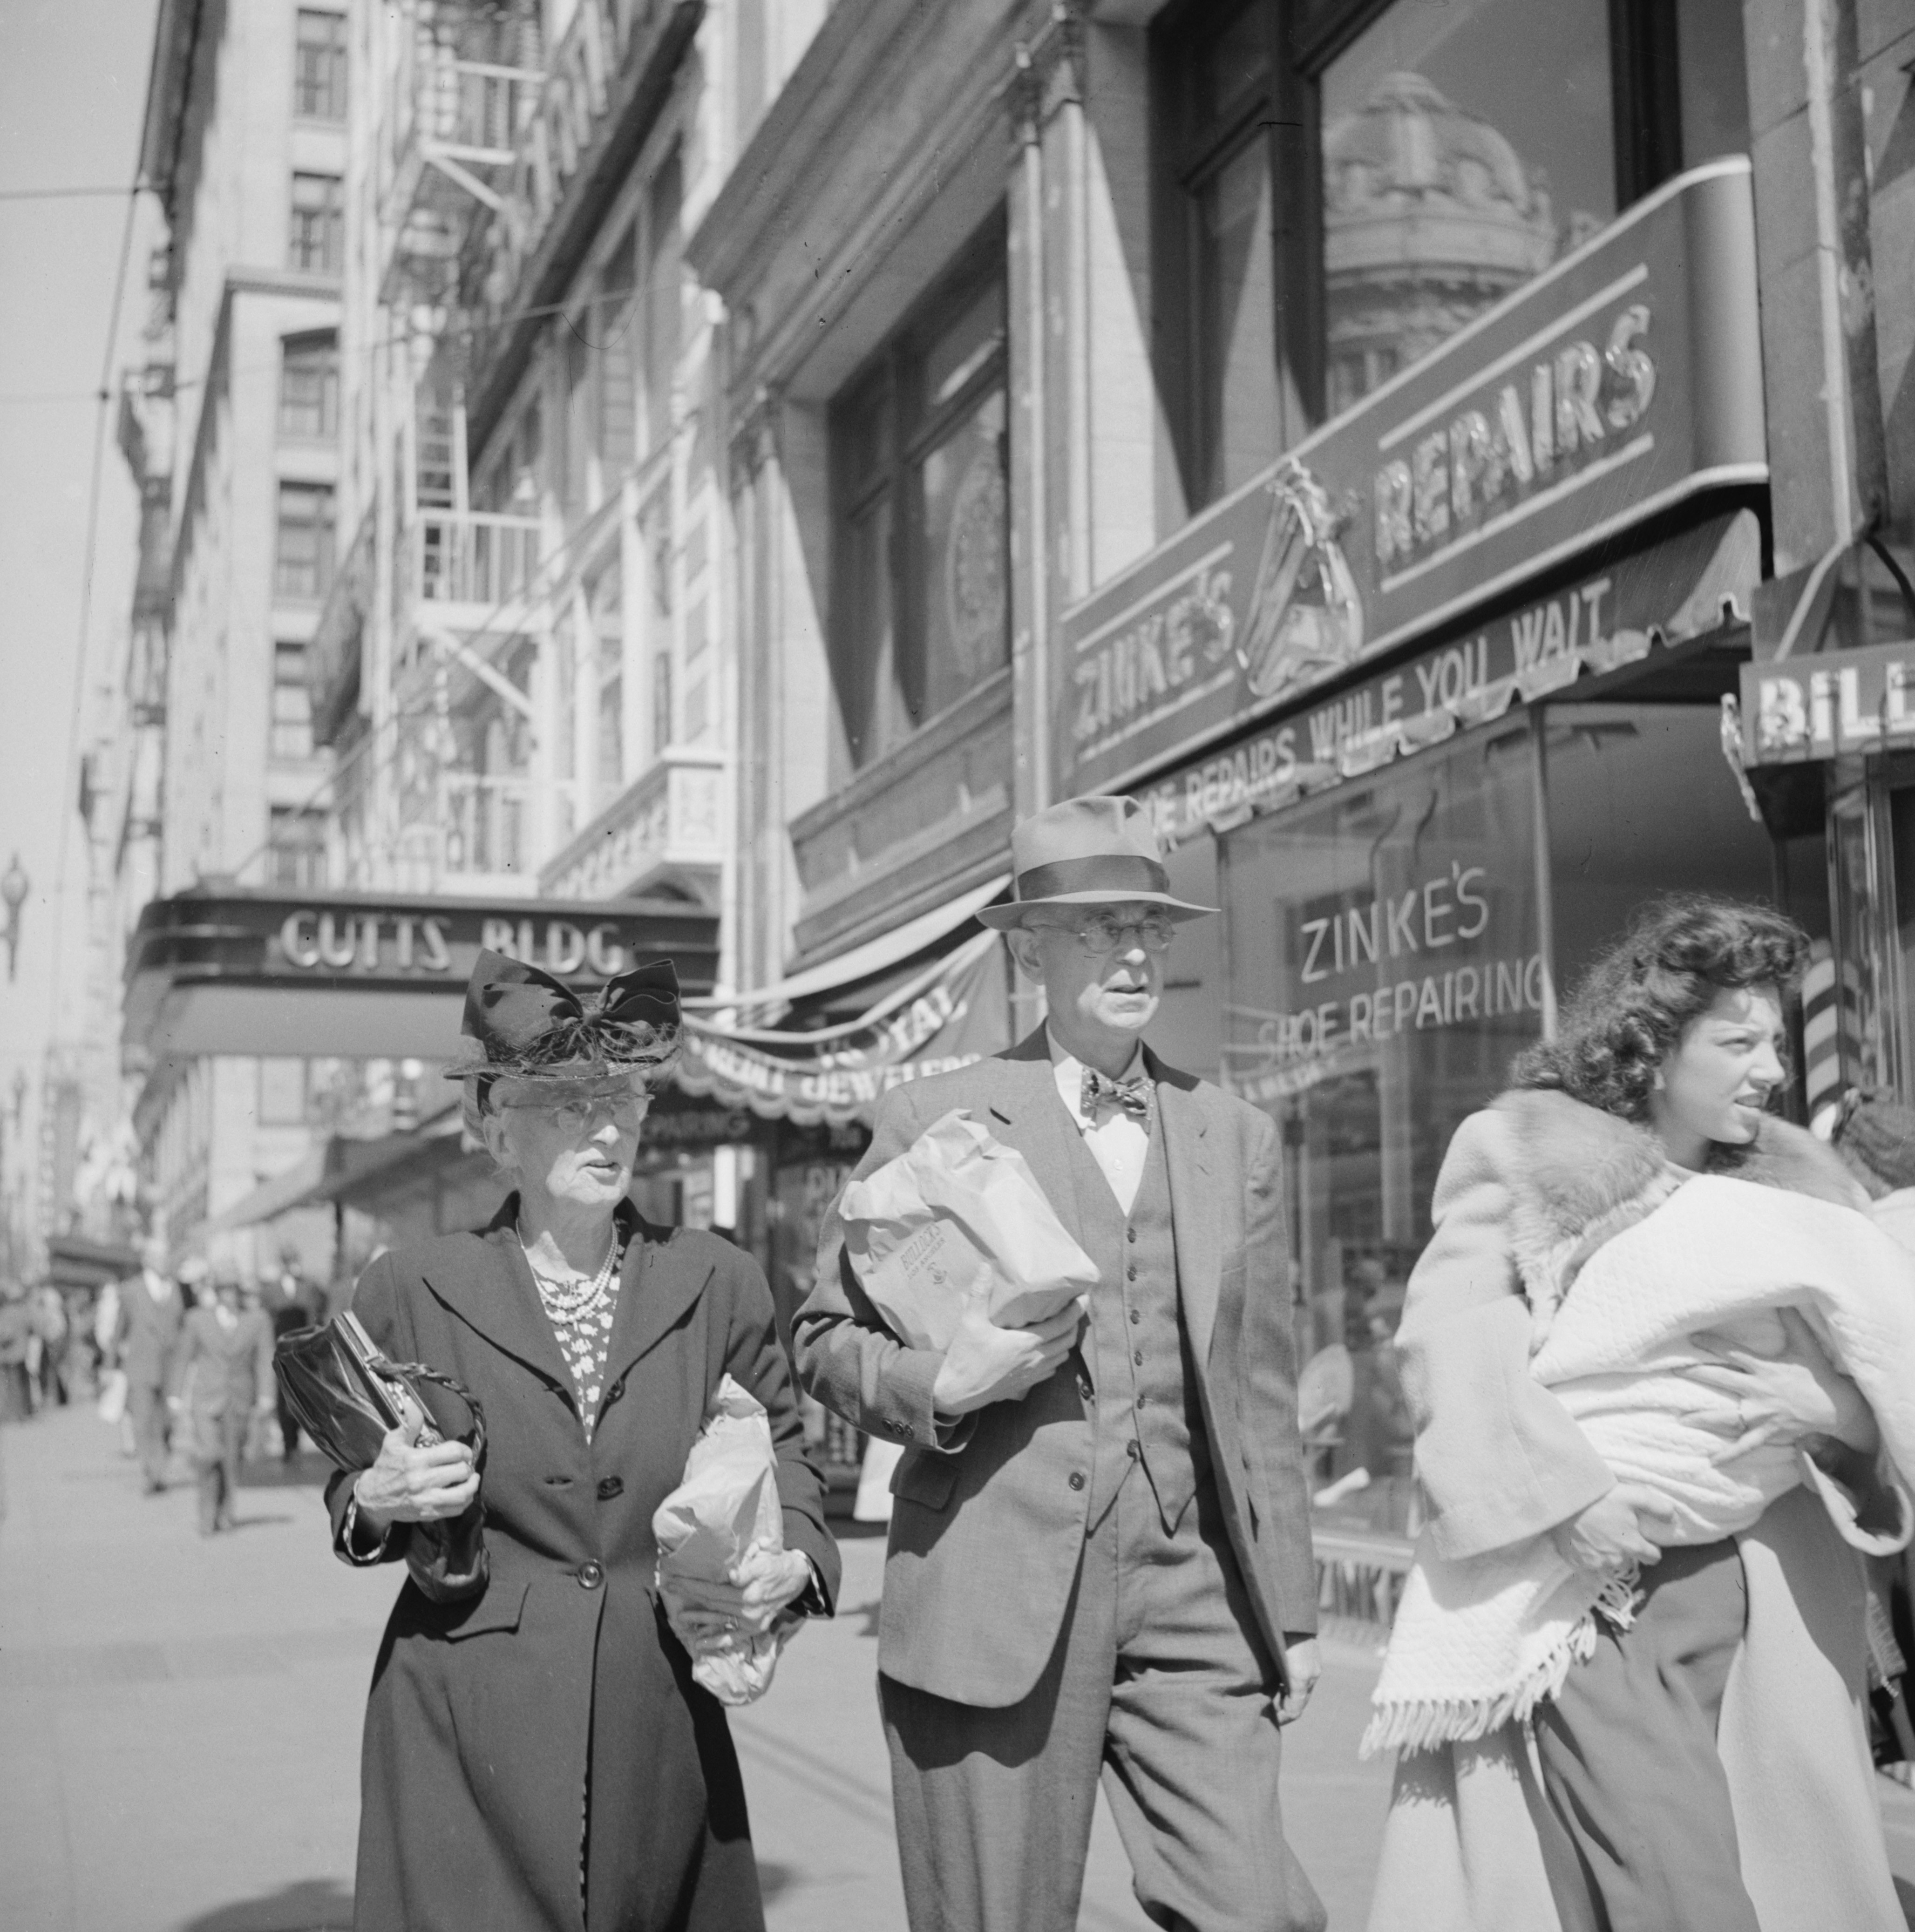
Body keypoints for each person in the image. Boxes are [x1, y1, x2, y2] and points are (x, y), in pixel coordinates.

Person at [797, 794, 1324, 1932]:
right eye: (1094, 927)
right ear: (1027, 947)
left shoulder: (1232, 1135)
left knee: (1259, 1906)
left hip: (1193, 1582)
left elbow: (1259, 1391)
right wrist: (940, 1381)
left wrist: (1296, 1604)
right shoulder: (936, 1115)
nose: (1132, 951)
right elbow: (821, 1339)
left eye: (1148, 924)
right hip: (996, 1585)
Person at [1366, 895, 1915, 1932]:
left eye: (1777, 1041)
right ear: (1655, 1044)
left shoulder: (1800, 1181)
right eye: (1739, 1040)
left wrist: (1834, 1406)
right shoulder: (1525, 1154)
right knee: (1673, 1883)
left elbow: (1880, 1360)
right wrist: (1565, 1498)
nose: (1772, 1069)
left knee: (1777, 1871)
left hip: (1776, 1584)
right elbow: (1451, 1350)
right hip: (1604, 1582)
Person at [326, 949, 839, 1932]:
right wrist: (377, 1494)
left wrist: (800, 1560)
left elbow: (787, 1446)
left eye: (623, 1098)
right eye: (567, 1102)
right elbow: (353, 1488)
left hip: (660, 1726)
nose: (607, 1126)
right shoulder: (408, 1288)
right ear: (492, 1126)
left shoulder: (717, 1280)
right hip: (459, 1724)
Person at [177, 1273, 275, 1534]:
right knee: (210, 1453)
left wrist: (267, 1395)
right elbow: (183, 1356)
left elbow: (266, 1358)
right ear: (216, 1292)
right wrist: (175, 1395)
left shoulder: (257, 1320)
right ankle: (206, 1515)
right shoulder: (197, 1319)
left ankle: (225, 1512)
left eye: (233, 1289)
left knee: (232, 1461)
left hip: (239, 1400)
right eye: (224, 1289)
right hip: (206, 1399)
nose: (229, 1295)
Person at [114, 1238, 184, 1491]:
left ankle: (162, 1464)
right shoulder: (131, 1290)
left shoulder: (176, 1289)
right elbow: (119, 1329)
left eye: (167, 1256)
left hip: (170, 1366)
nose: (166, 1261)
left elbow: (183, 1326)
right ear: (147, 1260)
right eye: (160, 1257)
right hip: (141, 1366)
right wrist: (111, 1365)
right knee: (142, 1421)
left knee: (166, 1422)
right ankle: (152, 1472)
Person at [267, 1246, 315, 1461]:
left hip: (301, 1350)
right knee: (282, 1396)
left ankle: (296, 1439)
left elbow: (314, 1316)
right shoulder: (272, 1290)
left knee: (301, 1395)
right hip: (281, 1350)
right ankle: (288, 1442)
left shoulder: (308, 1287)